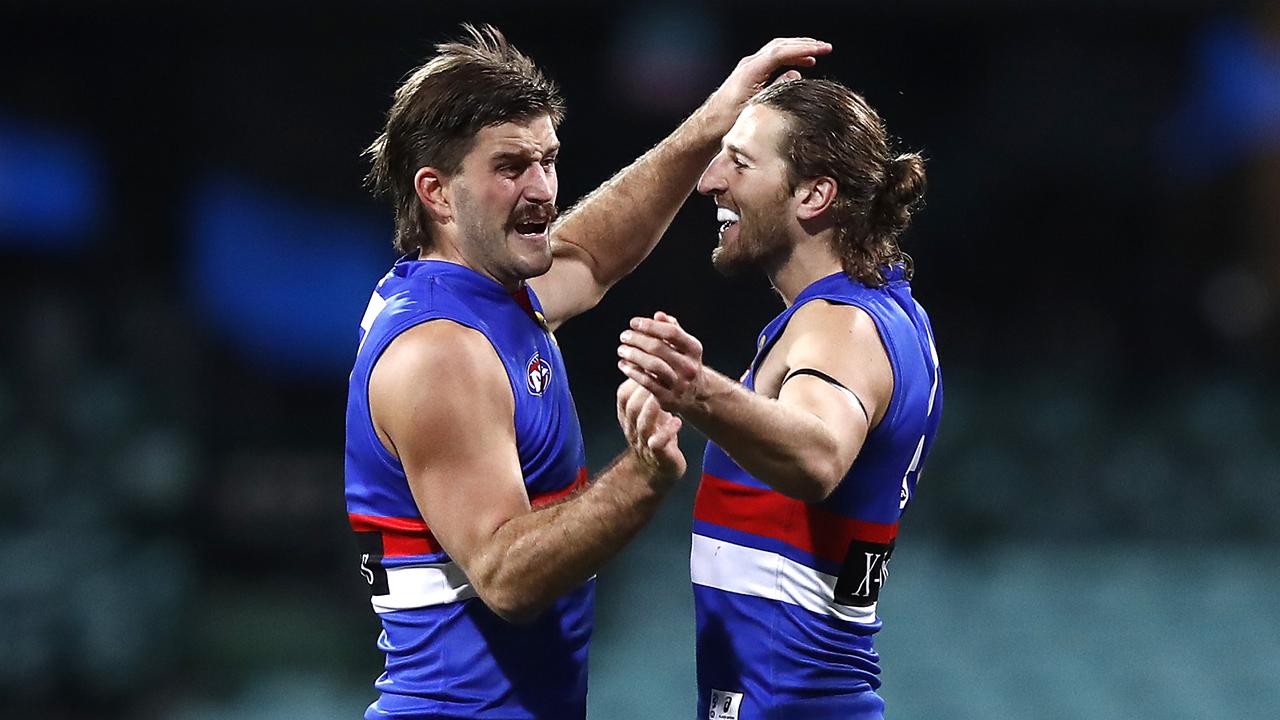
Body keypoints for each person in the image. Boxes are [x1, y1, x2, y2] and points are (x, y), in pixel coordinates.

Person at [344, 24, 832, 720]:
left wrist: (709, 125)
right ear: (438, 193)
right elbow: (505, 576)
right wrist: (639, 476)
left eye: (549, 159)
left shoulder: (487, 296)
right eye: (512, 167)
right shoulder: (438, 350)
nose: (543, 187)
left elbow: (594, 256)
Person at [616, 77, 943, 719]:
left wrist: (695, 389)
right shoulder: (885, 316)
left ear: (815, 193)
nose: (710, 181)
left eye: (739, 162)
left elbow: (818, 457)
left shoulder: (839, 324)